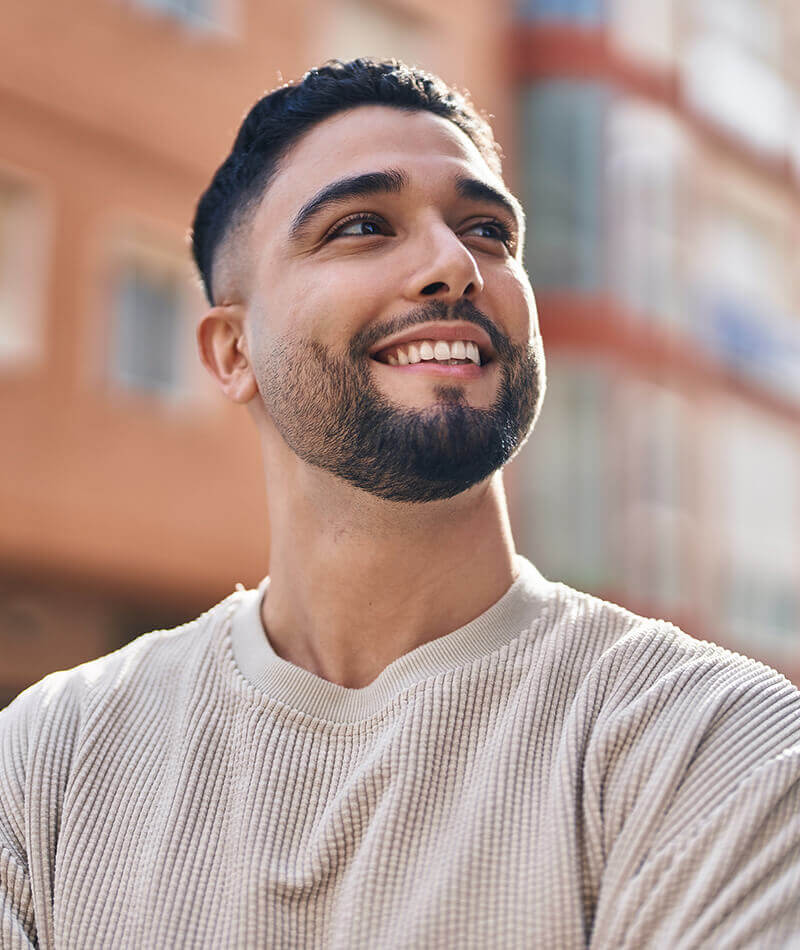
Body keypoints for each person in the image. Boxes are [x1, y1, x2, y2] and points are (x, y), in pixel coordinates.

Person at [1, 58, 798, 949]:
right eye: (364, 225)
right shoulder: (48, 764)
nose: (454, 265)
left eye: (489, 232)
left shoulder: (713, 743)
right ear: (232, 353)